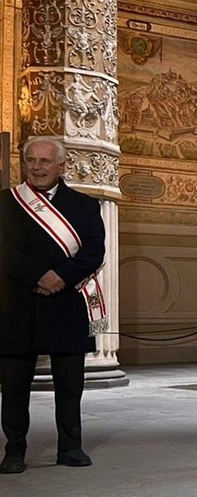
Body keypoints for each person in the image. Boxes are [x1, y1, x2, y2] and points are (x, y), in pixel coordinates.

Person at [0, 137, 105, 474]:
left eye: (45, 161)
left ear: (61, 165)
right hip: (18, 303)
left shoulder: (85, 206)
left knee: (70, 384)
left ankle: (70, 447)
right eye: (31, 160)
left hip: (66, 304)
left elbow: (94, 251)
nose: (36, 167)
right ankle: (14, 450)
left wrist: (59, 277)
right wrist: (38, 276)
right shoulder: (5, 202)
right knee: (14, 386)